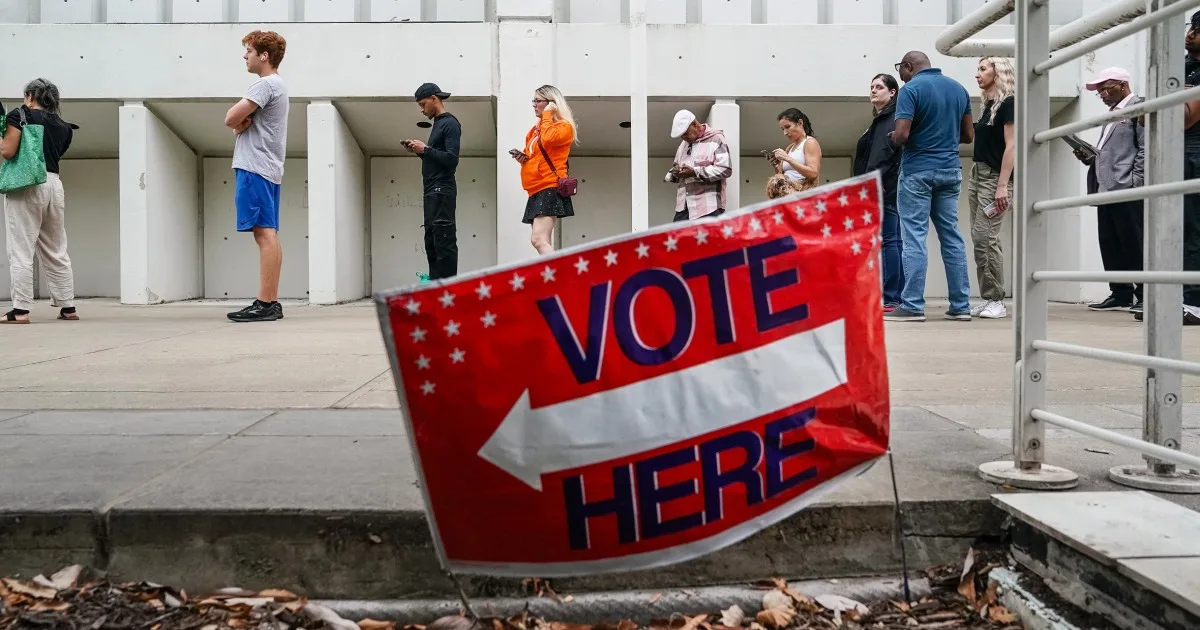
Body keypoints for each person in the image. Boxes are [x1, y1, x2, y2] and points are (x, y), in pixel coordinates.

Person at [885, 50, 974, 323]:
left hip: (917, 171)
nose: (901, 75)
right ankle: (961, 305)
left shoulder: (910, 90)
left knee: (914, 237)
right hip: (950, 170)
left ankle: (912, 305)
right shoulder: (959, 89)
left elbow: (902, 135)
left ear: (909, 66)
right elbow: (968, 135)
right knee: (951, 236)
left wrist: (892, 137)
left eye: (900, 69)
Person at [223, 30, 289, 323]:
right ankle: (270, 302)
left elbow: (230, 118)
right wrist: (239, 127)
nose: (244, 55)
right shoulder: (279, 86)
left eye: (249, 51)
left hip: (255, 167)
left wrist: (236, 126)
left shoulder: (265, 85)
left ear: (264, 56)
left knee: (264, 234)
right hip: (268, 168)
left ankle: (265, 304)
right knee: (268, 233)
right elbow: (239, 123)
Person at [0, 79, 79, 324]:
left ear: (30, 96)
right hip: (54, 184)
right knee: (56, 248)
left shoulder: (20, 115)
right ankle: (68, 307)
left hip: (27, 185)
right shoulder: (64, 127)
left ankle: (20, 310)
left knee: (21, 249)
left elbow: (7, 151)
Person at [1072, 67, 1145, 313]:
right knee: (1110, 242)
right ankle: (1120, 293)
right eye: (1099, 91)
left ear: (1122, 85)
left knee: (1133, 242)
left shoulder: (1138, 107)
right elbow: (1111, 152)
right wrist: (1089, 157)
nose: (1102, 94)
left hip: (1127, 188)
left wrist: (1136, 181)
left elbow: (1146, 147)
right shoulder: (1112, 114)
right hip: (1105, 188)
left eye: (1106, 89)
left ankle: (1145, 293)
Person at [967, 57, 1016, 320]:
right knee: (979, 238)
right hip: (978, 174)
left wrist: (1002, 186)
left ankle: (996, 300)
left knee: (986, 238)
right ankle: (989, 297)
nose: (978, 74)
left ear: (999, 73)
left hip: (994, 178)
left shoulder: (1009, 103)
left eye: (983, 69)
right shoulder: (989, 106)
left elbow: (1012, 147)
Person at [853, 73, 904, 312]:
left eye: (879, 87)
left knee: (890, 241)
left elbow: (885, 155)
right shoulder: (879, 120)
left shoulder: (892, 119)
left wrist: (875, 181)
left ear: (892, 92)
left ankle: (891, 297)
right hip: (876, 187)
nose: (873, 90)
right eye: (872, 86)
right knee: (890, 241)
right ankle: (892, 295)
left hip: (883, 188)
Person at [403, 82, 461, 280]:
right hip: (431, 191)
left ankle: (447, 289)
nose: (421, 109)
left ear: (434, 99)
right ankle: (436, 288)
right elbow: (438, 159)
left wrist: (426, 149)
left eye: (423, 104)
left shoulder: (450, 123)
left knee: (443, 240)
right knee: (432, 241)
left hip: (441, 190)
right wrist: (420, 152)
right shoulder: (438, 123)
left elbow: (452, 159)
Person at [1163, 14, 1200, 326]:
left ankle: (1194, 302)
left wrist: (1170, 92)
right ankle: (1177, 298)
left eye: (1198, 31)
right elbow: (1147, 118)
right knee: (1173, 230)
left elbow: (1185, 118)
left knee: (1193, 229)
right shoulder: (1180, 65)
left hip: (1195, 153)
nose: (1191, 34)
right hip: (1174, 153)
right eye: (1191, 27)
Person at [511, 85, 577, 255]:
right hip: (535, 188)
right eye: (533, 100)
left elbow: (549, 138)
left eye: (538, 100)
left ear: (552, 103)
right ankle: (551, 270)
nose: (534, 104)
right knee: (543, 240)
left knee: (538, 239)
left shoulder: (564, 127)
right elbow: (533, 154)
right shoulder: (535, 131)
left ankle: (558, 270)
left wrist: (547, 115)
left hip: (549, 186)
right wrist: (523, 159)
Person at [664, 109, 733, 222]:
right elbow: (676, 166)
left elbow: (725, 169)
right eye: (681, 136)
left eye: (686, 134)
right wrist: (675, 173)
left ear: (694, 125)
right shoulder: (683, 145)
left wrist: (694, 172)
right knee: (676, 234)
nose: (684, 138)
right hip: (684, 208)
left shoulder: (716, 138)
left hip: (708, 208)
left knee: (708, 235)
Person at [766, 108, 821, 197]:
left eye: (788, 127)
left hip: (802, 196)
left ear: (800, 123)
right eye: (782, 129)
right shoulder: (789, 148)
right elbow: (786, 175)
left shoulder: (810, 142)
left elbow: (813, 173)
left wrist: (787, 158)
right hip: (786, 196)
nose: (785, 133)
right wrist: (776, 165)